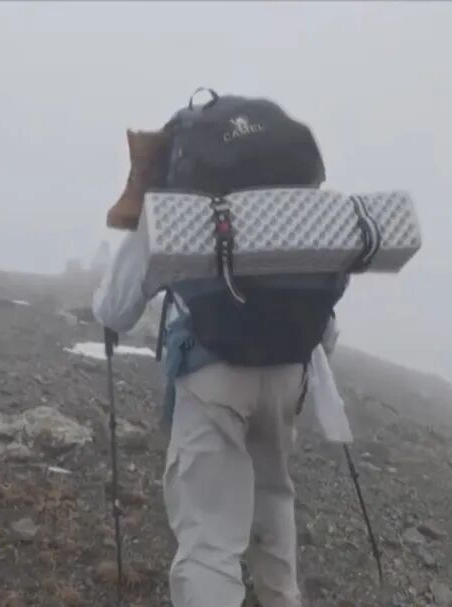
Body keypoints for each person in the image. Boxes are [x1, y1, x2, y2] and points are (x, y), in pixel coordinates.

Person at [93, 92, 350, 607]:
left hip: (212, 372)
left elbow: (116, 309)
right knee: (273, 498)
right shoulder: (296, 209)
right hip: (289, 371)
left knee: (210, 535)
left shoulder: (176, 210)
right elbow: (326, 324)